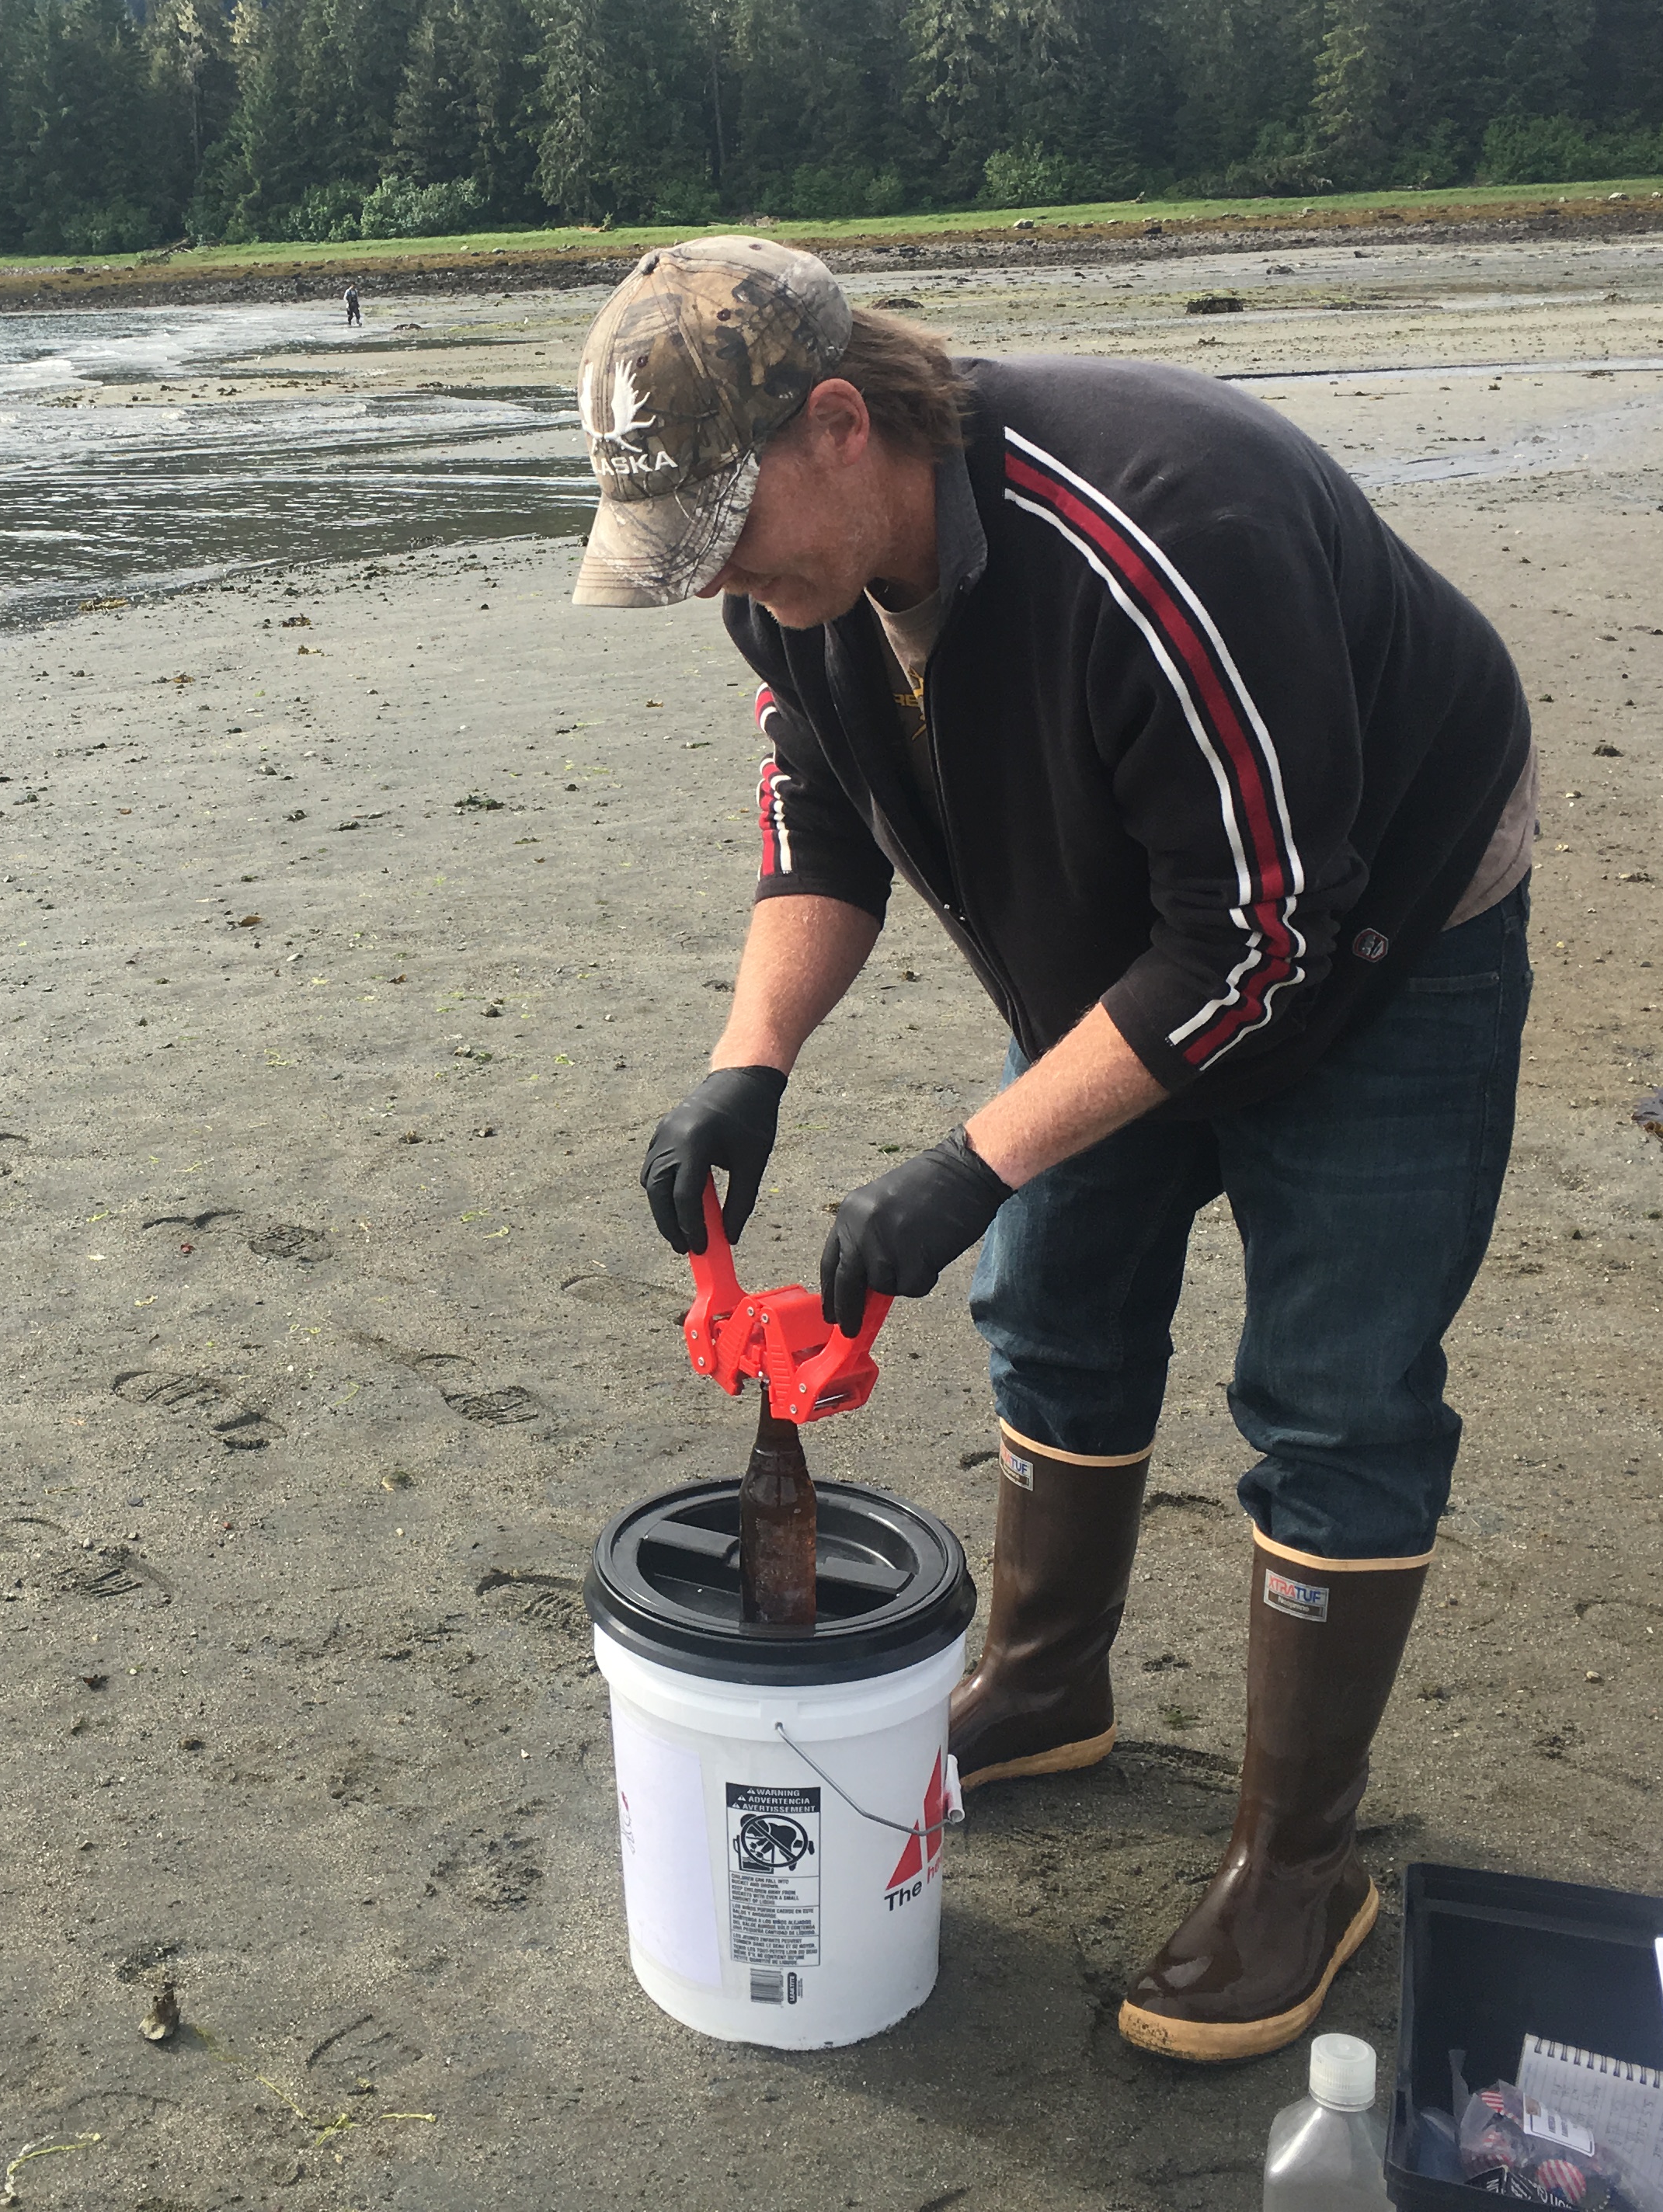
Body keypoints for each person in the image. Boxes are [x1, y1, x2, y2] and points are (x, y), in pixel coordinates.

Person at [579, 238, 1535, 2064]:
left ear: (843, 424)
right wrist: (750, 1061)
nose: (730, 582)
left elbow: (1260, 942)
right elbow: (823, 807)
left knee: (1338, 1393)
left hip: (1381, 928)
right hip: (1140, 932)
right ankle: (1042, 1682)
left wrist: (971, 1156)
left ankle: (1298, 1861)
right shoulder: (795, 583)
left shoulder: (1168, 533)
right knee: (1061, 1305)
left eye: (733, 528)